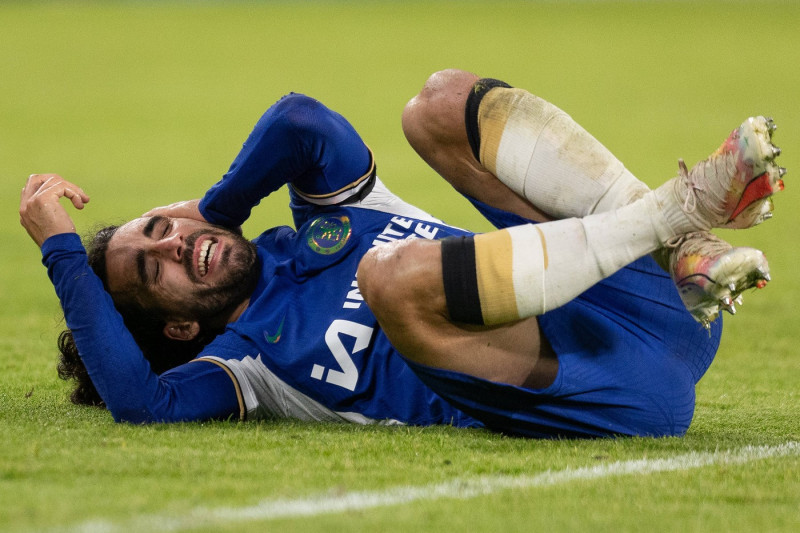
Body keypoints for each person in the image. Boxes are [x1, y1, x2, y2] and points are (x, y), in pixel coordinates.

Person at [20, 69, 784, 438]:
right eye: (156, 271)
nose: (179, 246)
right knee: (390, 278)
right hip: (611, 389)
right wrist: (59, 244)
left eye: (161, 228)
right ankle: (679, 213)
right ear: (181, 330)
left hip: (655, 302)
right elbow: (138, 402)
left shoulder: (325, 217)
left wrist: (217, 208)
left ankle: (679, 242)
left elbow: (299, 119)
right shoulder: (247, 367)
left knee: (437, 106)